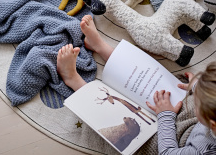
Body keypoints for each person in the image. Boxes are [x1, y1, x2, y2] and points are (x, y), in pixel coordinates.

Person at [57, 14, 216, 154]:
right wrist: (198, 86)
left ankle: (73, 79)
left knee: (129, 127)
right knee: (151, 78)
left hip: (171, 143)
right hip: (195, 121)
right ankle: (98, 45)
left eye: (199, 102)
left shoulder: (203, 148)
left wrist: (166, 115)